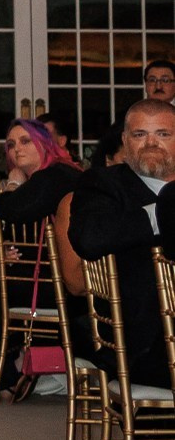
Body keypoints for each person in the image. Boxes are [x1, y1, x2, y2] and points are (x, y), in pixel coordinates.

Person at [0, 118, 83, 392]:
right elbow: (20, 222)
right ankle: (16, 363)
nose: (17, 149)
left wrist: (12, 184)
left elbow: (10, 209)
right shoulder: (51, 175)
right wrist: (6, 246)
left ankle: (3, 376)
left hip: (63, 280)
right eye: (11, 144)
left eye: (25, 141)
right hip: (52, 271)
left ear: (44, 143)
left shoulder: (55, 175)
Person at [67, 99, 175, 389]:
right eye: (140, 134)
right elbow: (89, 239)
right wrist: (160, 214)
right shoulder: (104, 184)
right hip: (141, 340)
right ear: (125, 142)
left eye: (163, 134)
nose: (151, 143)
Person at [88, 58, 175, 167]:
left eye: (165, 80)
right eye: (152, 80)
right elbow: (107, 147)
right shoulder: (131, 115)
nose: (158, 86)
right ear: (146, 84)